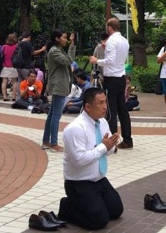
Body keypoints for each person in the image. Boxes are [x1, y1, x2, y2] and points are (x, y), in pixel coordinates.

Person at [58, 88, 123, 230]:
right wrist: (103, 147)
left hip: (99, 179)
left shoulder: (103, 122)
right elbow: (79, 160)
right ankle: (66, 207)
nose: (105, 107)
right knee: (98, 222)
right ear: (88, 107)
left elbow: (108, 151)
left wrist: (111, 144)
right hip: (79, 183)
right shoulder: (75, 128)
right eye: (100, 103)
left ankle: (91, 204)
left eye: (105, 102)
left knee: (116, 210)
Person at [90, 18, 133, 150]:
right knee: (123, 110)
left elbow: (110, 60)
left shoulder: (111, 41)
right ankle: (127, 140)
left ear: (109, 28)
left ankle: (112, 143)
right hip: (121, 76)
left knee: (111, 111)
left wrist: (96, 60)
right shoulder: (124, 40)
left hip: (112, 78)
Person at [42, 30, 76, 152]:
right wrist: (72, 46)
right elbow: (68, 61)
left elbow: (67, 59)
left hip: (59, 85)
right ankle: (53, 143)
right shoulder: (55, 51)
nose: (65, 39)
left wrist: (71, 45)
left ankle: (46, 141)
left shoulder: (58, 49)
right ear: (57, 38)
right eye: (64, 37)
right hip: (58, 85)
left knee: (52, 115)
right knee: (56, 115)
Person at [0, 33, 19, 102]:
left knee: (4, 81)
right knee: (14, 82)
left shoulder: (4, 47)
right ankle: (14, 96)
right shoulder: (16, 47)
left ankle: (4, 96)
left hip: (5, 66)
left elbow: (1, 55)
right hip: (14, 66)